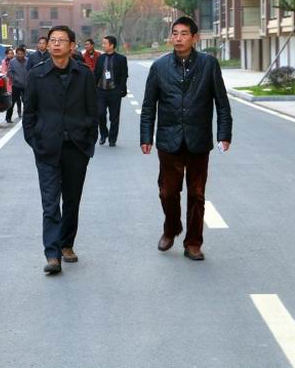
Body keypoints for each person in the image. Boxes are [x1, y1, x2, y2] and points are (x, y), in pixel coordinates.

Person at [140, 16, 232, 262]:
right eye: (175, 33)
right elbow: (148, 106)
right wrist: (146, 136)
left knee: (197, 194)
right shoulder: (159, 67)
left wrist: (224, 134)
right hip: (168, 140)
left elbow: (222, 103)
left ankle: (193, 243)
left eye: (184, 34)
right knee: (167, 192)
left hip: (198, 140)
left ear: (195, 38)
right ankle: (171, 228)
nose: (178, 38)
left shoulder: (208, 65)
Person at [23, 26, 98, 275]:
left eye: (61, 40)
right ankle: (52, 254)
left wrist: (89, 140)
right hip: (47, 148)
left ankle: (67, 244)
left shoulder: (83, 74)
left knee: (72, 200)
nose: (55, 44)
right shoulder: (37, 74)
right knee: (50, 203)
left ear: (72, 46)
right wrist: (35, 140)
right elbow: (29, 112)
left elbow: (93, 110)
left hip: (76, 147)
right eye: (52, 40)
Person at [93, 35, 129, 147]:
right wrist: (92, 88)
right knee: (100, 114)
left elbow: (124, 76)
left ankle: (112, 139)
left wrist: (122, 89)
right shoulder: (100, 58)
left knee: (114, 117)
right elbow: (96, 74)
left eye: (105, 43)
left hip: (114, 91)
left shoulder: (121, 59)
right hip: (101, 91)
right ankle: (104, 134)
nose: (103, 45)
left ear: (112, 45)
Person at [6, 46, 28, 122]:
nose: (20, 55)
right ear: (16, 54)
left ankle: (27, 117)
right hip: (16, 85)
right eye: (18, 54)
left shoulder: (28, 61)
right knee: (12, 102)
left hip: (26, 85)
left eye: (21, 53)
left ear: (24, 54)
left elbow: (31, 71)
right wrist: (15, 78)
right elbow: (9, 73)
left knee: (27, 102)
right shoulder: (12, 62)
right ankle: (8, 117)